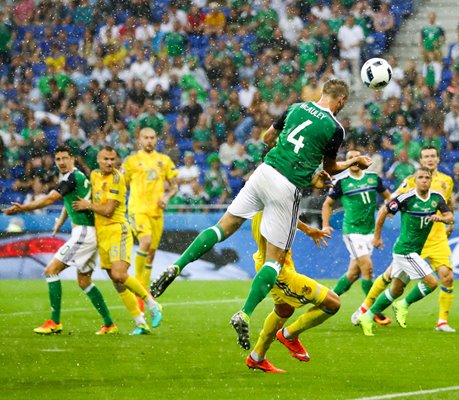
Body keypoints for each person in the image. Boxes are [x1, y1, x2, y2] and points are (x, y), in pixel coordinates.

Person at [150, 79, 371, 350]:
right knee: (275, 262)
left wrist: (287, 157)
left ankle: (177, 265)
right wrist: (354, 162)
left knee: (222, 228)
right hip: (286, 186)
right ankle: (244, 312)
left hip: (263, 172)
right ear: (340, 101)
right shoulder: (334, 127)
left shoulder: (296, 107)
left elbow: (267, 138)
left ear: (322, 93)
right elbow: (331, 167)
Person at [3, 145, 116, 335]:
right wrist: (60, 223)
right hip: (89, 232)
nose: (62, 162)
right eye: (58, 159)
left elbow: (50, 199)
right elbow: (68, 203)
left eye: (65, 158)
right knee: (84, 281)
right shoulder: (74, 177)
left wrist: (22, 208)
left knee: (51, 270)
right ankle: (109, 324)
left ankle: (55, 322)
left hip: (84, 233)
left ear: (72, 159)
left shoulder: (72, 177)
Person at [351, 145, 457, 332]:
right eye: (426, 157)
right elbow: (392, 201)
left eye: (433, 156)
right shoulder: (410, 182)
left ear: (438, 159)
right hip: (410, 242)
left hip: (436, 238)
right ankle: (365, 308)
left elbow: (448, 204)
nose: (430, 159)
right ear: (421, 161)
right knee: (389, 279)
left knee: (447, 277)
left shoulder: (446, 182)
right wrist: (383, 224)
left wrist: (449, 222)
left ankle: (441, 322)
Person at [72, 146, 162, 335]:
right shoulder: (95, 176)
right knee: (116, 280)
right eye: (105, 159)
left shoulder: (116, 178)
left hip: (117, 231)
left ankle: (152, 304)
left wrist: (87, 205)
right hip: (101, 234)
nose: (109, 163)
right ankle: (140, 322)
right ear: (98, 159)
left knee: (120, 274)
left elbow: (108, 210)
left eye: (112, 159)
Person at [246, 208, 340, 372]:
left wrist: (307, 229)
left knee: (284, 309)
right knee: (332, 303)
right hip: (278, 269)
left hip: (272, 262)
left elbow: (285, 215)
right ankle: (289, 335)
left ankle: (256, 357)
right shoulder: (275, 192)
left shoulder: (269, 195)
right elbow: (282, 215)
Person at [321, 150, 392, 325]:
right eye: (350, 159)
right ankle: (372, 310)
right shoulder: (342, 182)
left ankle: (326, 300)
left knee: (353, 274)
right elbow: (327, 204)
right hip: (352, 232)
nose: (353, 161)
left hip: (369, 231)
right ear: (346, 162)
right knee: (367, 268)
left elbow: (387, 197)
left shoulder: (373, 178)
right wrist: (325, 224)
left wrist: (390, 209)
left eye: (356, 158)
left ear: (362, 160)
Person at [122, 128, 178, 308]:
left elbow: (174, 187)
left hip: (156, 212)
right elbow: (122, 184)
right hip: (137, 210)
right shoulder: (131, 161)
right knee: (145, 242)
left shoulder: (164, 160)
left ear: (156, 140)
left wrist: (166, 197)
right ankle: (138, 283)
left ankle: (142, 291)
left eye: (152, 138)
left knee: (151, 254)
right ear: (139, 140)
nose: (149, 141)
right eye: (146, 138)